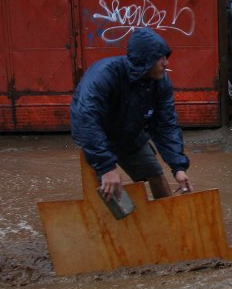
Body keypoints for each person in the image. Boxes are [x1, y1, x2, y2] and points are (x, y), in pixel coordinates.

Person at [71, 28, 191, 204]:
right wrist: (106, 167)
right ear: (146, 60)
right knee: (113, 198)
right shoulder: (104, 75)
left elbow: (166, 124)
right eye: (161, 58)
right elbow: (86, 120)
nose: (166, 63)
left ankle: (167, 222)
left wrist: (178, 167)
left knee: (156, 175)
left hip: (130, 135)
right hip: (98, 138)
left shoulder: (160, 81)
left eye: (166, 57)